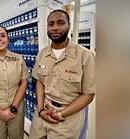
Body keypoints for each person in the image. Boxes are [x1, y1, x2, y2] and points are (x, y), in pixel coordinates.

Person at [29, 9, 96, 139]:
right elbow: (40, 81)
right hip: (42, 115)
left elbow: (88, 94)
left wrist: (60, 114)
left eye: (60, 23)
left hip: (68, 120)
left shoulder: (85, 56)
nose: (55, 28)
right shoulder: (42, 54)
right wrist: (41, 110)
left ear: (68, 26)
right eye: (51, 24)